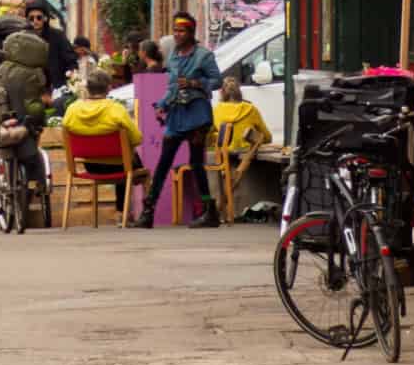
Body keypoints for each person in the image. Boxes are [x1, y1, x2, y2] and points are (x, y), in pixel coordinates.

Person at [137, 13, 223, 230]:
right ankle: (149, 212)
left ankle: (208, 210)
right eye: (175, 30)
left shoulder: (204, 56)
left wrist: (196, 83)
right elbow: (172, 87)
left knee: (196, 163)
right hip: (176, 115)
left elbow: (217, 81)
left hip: (197, 115)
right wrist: (161, 105)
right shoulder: (174, 56)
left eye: (182, 30)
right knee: (164, 162)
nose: (177, 34)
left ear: (191, 32)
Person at [0, 23, 50, 237]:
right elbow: (36, 103)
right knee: (31, 139)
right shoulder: (33, 71)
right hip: (24, 123)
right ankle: (37, 182)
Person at [62, 68, 145, 213]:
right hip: (119, 166)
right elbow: (137, 139)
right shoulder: (116, 110)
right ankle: (123, 214)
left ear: (87, 88)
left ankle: (122, 213)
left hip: (91, 166)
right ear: (108, 88)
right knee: (127, 159)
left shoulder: (72, 110)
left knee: (124, 159)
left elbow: (66, 136)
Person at [25, 3, 79, 90]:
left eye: (39, 17)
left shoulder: (57, 35)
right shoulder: (23, 37)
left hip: (56, 85)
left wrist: (71, 77)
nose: (35, 21)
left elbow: (70, 59)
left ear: (45, 18)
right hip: (31, 85)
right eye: (31, 18)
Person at [213, 76, 273, 153]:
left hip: (224, 157)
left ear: (221, 92)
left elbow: (208, 138)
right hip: (247, 156)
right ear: (239, 90)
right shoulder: (251, 109)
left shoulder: (216, 110)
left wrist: (218, 136)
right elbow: (268, 138)